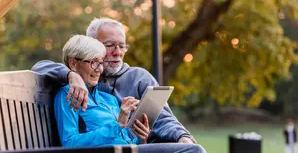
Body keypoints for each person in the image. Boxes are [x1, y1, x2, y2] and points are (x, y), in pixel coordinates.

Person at [32, 17, 196, 143]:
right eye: (110, 45)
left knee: (191, 148)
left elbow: (163, 118)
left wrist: (180, 136)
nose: (117, 52)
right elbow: (40, 66)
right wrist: (71, 76)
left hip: (138, 145)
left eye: (122, 46)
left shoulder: (137, 78)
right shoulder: (75, 80)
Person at [55, 34, 205, 153]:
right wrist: (117, 124)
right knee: (192, 150)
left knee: (190, 148)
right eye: (94, 62)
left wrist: (140, 137)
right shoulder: (68, 95)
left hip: (128, 149)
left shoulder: (109, 99)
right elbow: (70, 143)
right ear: (73, 64)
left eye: (101, 63)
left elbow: (122, 137)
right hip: (112, 152)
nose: (99, 69)